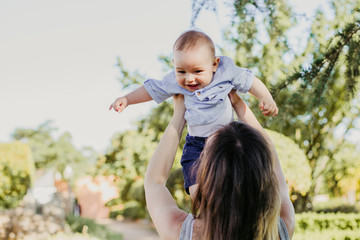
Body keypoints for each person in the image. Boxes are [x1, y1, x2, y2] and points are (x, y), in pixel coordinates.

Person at [110, 29, 278, 195]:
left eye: (197, 71)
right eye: (181, 71)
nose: (189, 78)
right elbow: (152, 88)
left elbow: (250, 81)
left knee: (231, 180)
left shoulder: (225, 72)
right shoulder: (173, 82)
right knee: (196, 188)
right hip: (196, 144)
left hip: (226, 141)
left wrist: (266, 97)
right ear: (174, 65)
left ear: (214, 64)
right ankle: (202, 213)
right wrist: (127, 99)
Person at [144, 94, 291, 240]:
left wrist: (179, 115)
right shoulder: (281, 228)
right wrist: (239, 105)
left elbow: (154, 182)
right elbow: (272, 160)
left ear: (207, 175)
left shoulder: (182, 231)